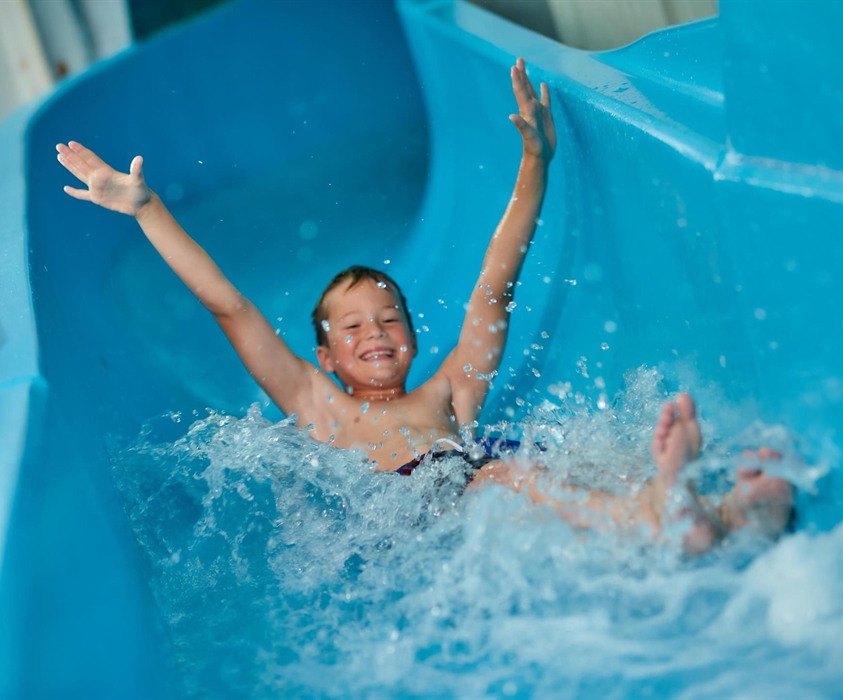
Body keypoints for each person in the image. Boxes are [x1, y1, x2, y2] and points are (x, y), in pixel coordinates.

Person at [55, 58, 793, 553]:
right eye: (352, 327)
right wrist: (147, 209)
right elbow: (233, 309)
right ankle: (662, 518)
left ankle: (717, 516)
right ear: (326, 357)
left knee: (561, 463)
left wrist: (535, 162)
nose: (374, 331)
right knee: (508, 477)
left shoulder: (451, 392)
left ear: (410, 336)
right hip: (440, 524)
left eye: (388, 318)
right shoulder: (316, 408)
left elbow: (494, 282)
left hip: (494, 483)